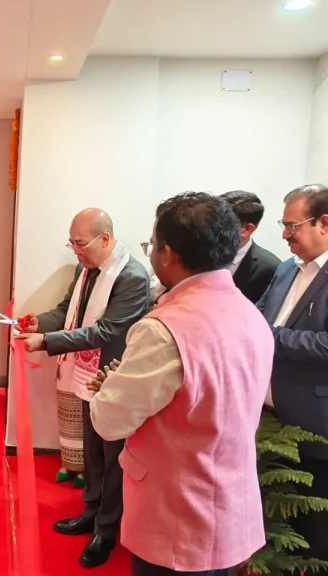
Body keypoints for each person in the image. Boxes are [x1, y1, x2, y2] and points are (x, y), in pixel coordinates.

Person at [86, 192, 273, 576]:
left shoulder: (164, 329)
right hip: (229, 508)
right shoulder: (251, 315)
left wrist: (110, 387)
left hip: (176, 516)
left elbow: (109, 420)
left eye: (152, 244)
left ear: (167, 254)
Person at [16, 208, 150, 568]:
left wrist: (47, 342)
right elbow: (67, 311)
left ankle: (106, 530)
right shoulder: (85, 268)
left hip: (114, 377)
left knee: (113, 458)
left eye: (81, 244)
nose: (76, 251)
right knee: (92, 451)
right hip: (87, 375)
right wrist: (40, 323)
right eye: (71, 243)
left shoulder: (132, 276)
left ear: (104, 239)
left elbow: (107, 330)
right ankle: (90, 511)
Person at [256, 183, 328, 561]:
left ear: (324, 223)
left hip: (314, 421)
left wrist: (273, 338)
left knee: (314, 527)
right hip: (269, 415)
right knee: (277, 518)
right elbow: (259, 314)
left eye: (292, 226)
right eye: (283, 225)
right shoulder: (287, 268)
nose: (285, 235)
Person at [219, 190, 281, 303]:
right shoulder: (200, 255)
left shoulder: (271, 269)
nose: (211, 229)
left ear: (247, 229)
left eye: (220, 224)